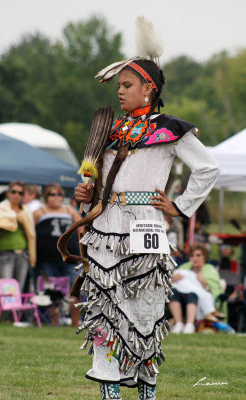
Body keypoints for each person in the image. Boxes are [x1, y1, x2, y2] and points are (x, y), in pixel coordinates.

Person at [67, 18, 220, 400]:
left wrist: (181, 206)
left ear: (148, 89)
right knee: (103, 310)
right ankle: (110, 394)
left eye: (127, 85)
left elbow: (208, 168)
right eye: (118, 86)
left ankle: (147, 392)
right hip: (106, 228)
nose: (119, 92)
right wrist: (88, 195)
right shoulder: (111, 133)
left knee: (146, 311)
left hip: (146, 227)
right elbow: (101, 182)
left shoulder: (170, 130)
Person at [33, 183, 83, 326]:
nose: (56, 197)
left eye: (59, 194)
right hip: (47, 258)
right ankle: (53, 322)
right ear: (45, 197)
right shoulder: (39, 212)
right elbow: (30, 233)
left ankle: (76, 321)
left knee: (75, 288)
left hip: (70, 257)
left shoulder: (70, 211)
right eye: (52, 194)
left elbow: (81, 228)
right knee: (51, 290)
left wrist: (83, 249)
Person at [0, 181, 36, 292]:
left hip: (23, 254)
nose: (17, 195)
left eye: (20, 193)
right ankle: (5, 310)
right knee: (6, 289)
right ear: (8, 194)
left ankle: (16, 310)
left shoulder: (26, 211)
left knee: (19, 287)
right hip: (5, 253)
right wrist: (6, 224)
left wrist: (22, 222)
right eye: (14, 192)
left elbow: (31, 235)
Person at [169, 244, 224, 334]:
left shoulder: (211, 271)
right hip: (181, 300)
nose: (195, 258)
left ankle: (190, 324)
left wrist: (203, 283)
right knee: (174, 292)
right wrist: (173, 279)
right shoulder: (184, 268)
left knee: (192, 294)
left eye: (198, 255)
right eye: (192, 256)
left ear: (204, 257)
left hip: (199, 301)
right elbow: (171, 283)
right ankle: (178, 323)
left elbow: (215, 293)